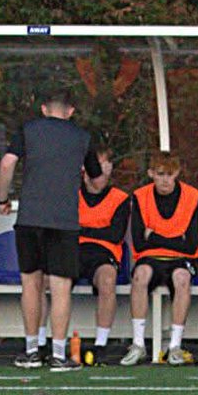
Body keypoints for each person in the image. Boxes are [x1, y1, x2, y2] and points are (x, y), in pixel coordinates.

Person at [0, 91, 101, 371]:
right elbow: (97, 181)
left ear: (44, 109)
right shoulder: (82, 137)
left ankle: (31, 350)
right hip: (63, 220)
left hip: (30, 218)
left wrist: (3, 198)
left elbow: (7, 163)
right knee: (60, 287)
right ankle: (57, 353)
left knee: (30, 283)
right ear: (70, 111)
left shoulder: (28, 131)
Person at [125, 151, 198, 366]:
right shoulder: (140, 196)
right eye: (160, 174)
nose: (165, 180)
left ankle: (175, 346)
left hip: (181, 259)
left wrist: (156, 236)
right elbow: (140, 242)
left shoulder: (192, 196)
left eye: (170, 174)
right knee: (140, 275)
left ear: (177, 173)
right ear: (151, 173)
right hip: (150, 258)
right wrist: (176, 238)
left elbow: (191, 243)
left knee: (182, 278)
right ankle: (138, 344)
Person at [75, 149, 131, 361]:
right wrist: (90, 230)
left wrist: (82, 229)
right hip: (72, 250)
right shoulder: (71, 193)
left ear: (110, 168)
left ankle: (101, 344)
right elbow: (66, 229)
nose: (97, 168)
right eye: (94, 163)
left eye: (103, 163)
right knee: (46, 278)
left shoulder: (120, 199)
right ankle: (45, 344)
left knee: (107, 279)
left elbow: (115, 235)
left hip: (104, 253)